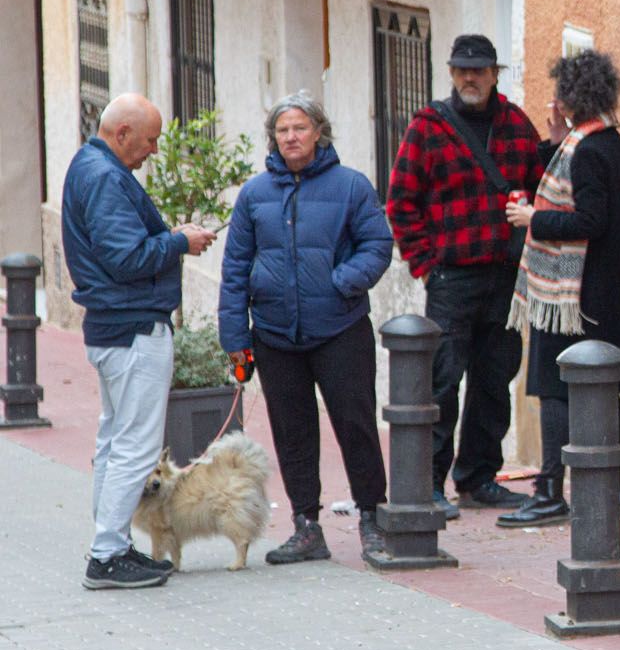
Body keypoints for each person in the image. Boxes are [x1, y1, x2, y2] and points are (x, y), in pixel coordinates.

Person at [219, 94, 393, 563]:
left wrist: (342, 283)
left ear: (319, 131)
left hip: (341, 328)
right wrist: (235, 337)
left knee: (356, 425)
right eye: (282, 130)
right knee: (292, 432)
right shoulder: (254, 196)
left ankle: (373, 520)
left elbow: (377, 244)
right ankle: (306, 526)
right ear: (273, 138)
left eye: (299, 128)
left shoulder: (351, 187)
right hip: (275, 335)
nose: (291, 137)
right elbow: (235, 267)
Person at [386, 34, 546, 519]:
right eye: (461, 70)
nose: (469, 78)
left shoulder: (517, 125)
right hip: (451, 279)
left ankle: (478, 479)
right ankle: (431, 483)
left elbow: (542, 191)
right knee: (442, 381)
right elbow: (400, 203)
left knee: (495, 381)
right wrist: (426, 265)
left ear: (495, 73)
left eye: (478, 70)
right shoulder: (428, 127)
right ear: (451, 74)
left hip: (505, 278)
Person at [62, 94, 216, 590]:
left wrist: (169, 237)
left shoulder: (90, 165)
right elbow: (126, 258)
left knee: (115, 438)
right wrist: (179, 241)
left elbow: (118, 249)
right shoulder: (105, 177)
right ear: (122, 133)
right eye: (149, 140)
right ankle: (107, 554)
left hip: (112, 326)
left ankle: (111, 543)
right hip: (132, 327)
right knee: (135, 443)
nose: (153, 150)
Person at [500, 50, 620, 528]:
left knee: (552, 386)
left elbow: (590, 219)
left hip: (574, 294)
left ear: (569, 98)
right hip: (605, 288)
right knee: (604, 385)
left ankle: (548, 491)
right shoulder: (603, 142)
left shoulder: (586, 150)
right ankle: (613, 487)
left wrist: (532, 219)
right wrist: (556, 139)